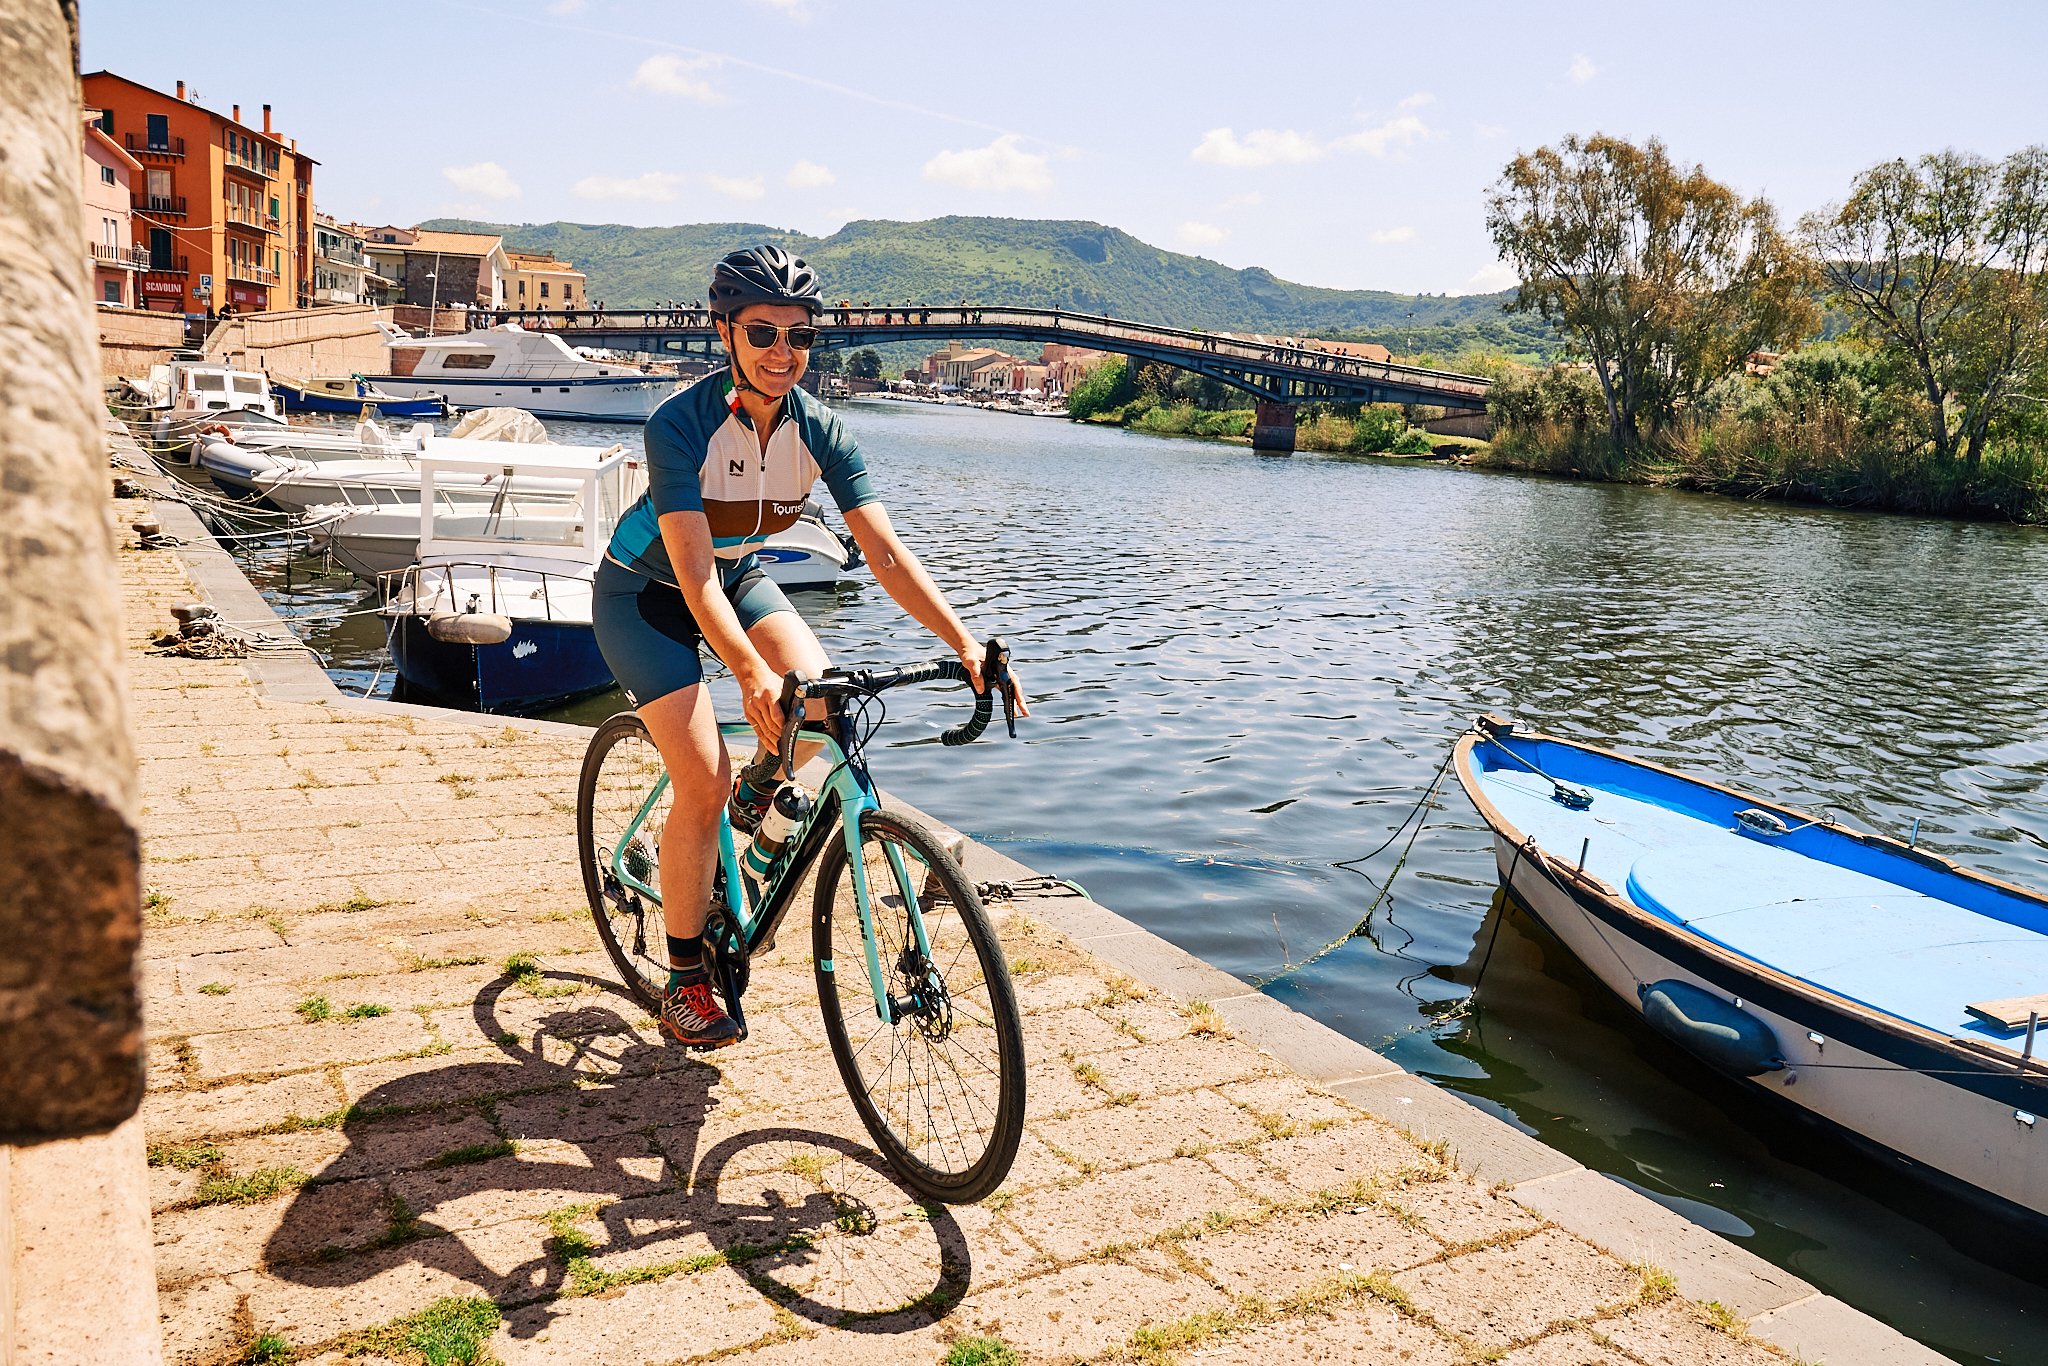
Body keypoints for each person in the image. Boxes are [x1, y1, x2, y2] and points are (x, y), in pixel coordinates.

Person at [592, 245, 1026, 1049]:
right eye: (762, 333)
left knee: (822, 699)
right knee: (703, 778)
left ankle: (765, 783)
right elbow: (692, 577)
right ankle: (685, 978)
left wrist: (965, 641)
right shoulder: (678, 424)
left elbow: (887, 556)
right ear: (724, 331)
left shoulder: (820, 428)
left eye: (801, 336)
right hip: (646, 594)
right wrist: (749, 672)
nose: (783, 353)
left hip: (742, 576)